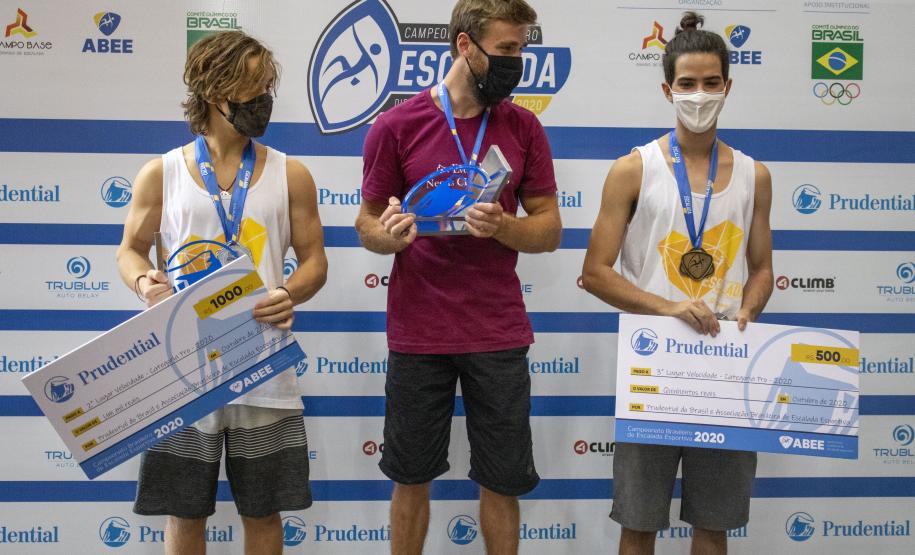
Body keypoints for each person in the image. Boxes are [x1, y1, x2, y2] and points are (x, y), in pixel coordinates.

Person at [355, 0, 562, 552]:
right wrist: (389, 235)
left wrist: (503, 227)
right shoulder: (396, 126)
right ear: (465, 45)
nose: (517, 62)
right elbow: (366, 224)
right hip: (419, 332)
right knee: (411, 478)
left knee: (503, 481)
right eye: (507, 50)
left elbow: (549, 231)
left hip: (496, 332)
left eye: (522, 49)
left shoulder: (524, 127)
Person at [115, 31, 327, 555]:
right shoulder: (160, 173)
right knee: (184, 512)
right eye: (253, 88)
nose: (264, 100)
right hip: (183, 369)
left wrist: (288, 292)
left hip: (264, 364)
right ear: (215, 93)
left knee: (264, 510)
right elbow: (130, 251)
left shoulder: (291, 173)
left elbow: (316, 263)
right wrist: (146, 282)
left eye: (267, 88)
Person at [581, 12, 774, 555]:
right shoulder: (632, 169)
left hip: (727, 372)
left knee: (713, 526)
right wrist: (666, 307)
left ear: (728, 87)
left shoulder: (755, 175)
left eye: (711, 83)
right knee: (639, 524)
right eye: (687, 84)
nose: (699, 94)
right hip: (654, 370)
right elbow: (593, 271)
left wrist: (749, 313)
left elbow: (762, 270)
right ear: (668, 88)